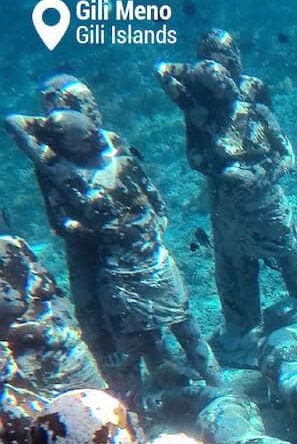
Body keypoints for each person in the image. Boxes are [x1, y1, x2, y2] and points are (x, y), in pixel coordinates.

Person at [6, 101, 222, 399]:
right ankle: (135, 418)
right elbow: (14, 123)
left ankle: (220, 391)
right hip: (117, 275)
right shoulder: (61, 173)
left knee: (189, 332)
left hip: (156, 263)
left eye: (94, 131)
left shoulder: (122, 161)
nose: (96, 137)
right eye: (85, 137)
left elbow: (157, 204)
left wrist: (152, 229)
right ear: (68, 145)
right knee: (127, 354)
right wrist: (99, 231)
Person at [157, 32, 297, 343]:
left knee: (292, 258)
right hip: (227, 201)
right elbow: (195, 155)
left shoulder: (255, 91)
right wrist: (226, 171)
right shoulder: (196, 103)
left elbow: (275, 145)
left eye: (229, 55)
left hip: (263, 195)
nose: (227, 65)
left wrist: (261, 175)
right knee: (236, 268)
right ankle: (244, 336)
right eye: (215, 60)